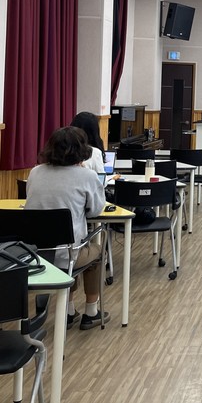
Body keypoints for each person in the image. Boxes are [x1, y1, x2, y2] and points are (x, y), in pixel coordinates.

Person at [25, 126, 109, 330]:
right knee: (95, 251)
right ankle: (91, 312)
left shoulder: (35, 172)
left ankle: (69, 311)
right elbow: (95, 211)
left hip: (34, 254)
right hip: (67, 255)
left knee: (72, 246)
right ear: (82, 150)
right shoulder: (87, 176)